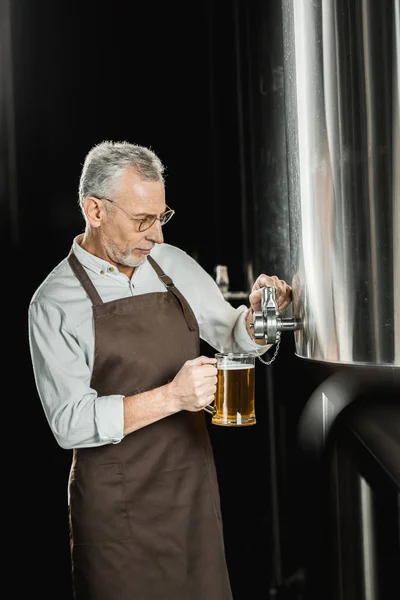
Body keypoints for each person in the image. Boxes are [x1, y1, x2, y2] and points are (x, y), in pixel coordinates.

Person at [28, 140, 292, 600]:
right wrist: (172, 397)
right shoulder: (53, 303)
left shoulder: (170, 265)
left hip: (190, 490)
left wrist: (254, 318)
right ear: (95, 210)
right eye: (142, 221)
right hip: (115, 513)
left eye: (162, 218)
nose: (158, 237)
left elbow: (232, 336)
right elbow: (68, 423)